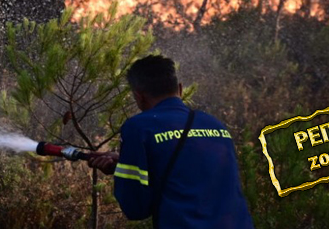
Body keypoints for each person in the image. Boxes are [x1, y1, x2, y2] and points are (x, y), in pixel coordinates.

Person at [87, 55, 255, 229]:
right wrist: (128, 162)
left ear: (139, 96)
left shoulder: (139, 127)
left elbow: (136, 208)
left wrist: (124, 172)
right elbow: (192, 173)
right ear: (180, 89)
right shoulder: (216, 126)